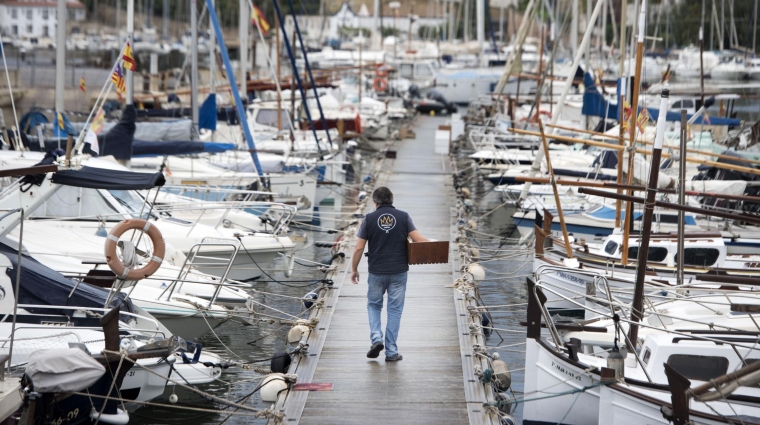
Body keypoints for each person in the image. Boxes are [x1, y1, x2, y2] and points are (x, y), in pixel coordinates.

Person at [351, 187, 428, 361]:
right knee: (394, 310)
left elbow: (358, 248)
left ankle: (376, 338)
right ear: (392, 200)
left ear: (375, 202)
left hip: (377, 271)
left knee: (374, 305)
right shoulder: (403, 216)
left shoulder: (369, 219)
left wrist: (354, 269)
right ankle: (391, 352)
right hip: (399, 271)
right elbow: (419, 240)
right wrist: (436, 244)